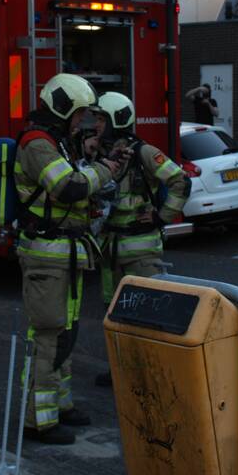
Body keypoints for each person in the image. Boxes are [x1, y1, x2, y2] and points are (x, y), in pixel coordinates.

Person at [14, 74, 127, 445]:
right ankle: (38, 421)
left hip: (66, 254)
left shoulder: (58, 143)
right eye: (79, 116)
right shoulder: (37, 144)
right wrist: (105, 169)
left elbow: (78, 178)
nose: (82, 123)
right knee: (48, 336)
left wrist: (94, 156)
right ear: (62, 109)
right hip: (47, 254)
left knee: (65, 334)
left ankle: (60, 407)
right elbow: (69, 187)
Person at [92, 91, 190, 387]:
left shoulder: (144, 152)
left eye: (99, 119)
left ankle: (152, 373)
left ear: (115, 121)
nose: (95, 124)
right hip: (110, 250)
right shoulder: (100, 155)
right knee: (114, 313)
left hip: (141, 250)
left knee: (147, 312)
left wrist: (162, 216)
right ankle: (121, 369)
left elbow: (180, 181)